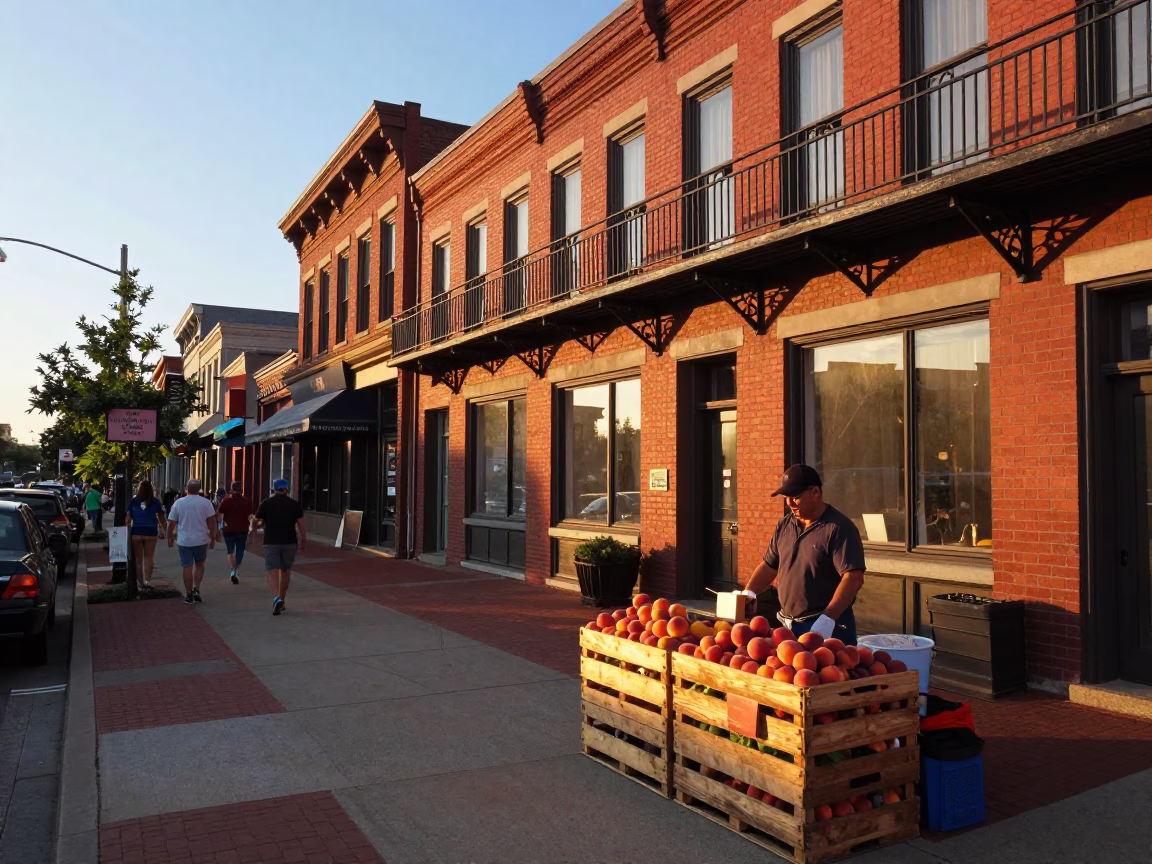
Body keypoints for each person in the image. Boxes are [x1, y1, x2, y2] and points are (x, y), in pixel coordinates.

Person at [740, 464, 866, 645]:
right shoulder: (785, 525)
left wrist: (828, 618)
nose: (789, 503)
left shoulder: (838, 528)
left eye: (795, 497)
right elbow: (769, 565)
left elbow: (853, 578)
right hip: (788, 627)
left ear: (815, 492)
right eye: (786, 497)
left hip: (829, 627)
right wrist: (750, 592)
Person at [251, 478, 307, 616]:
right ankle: (282, 599)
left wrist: (252, 529)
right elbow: (301, 523)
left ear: (274, 489)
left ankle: (276, 598)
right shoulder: (294, 504)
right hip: (289, 541)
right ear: (287, 489)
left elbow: (257, 521)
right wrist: (303, 539)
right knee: (286, 571)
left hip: (271, 541)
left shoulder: (266, 503)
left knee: (273, 571)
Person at [166, 479, 219, 605]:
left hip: (184, 540)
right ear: (199, 489)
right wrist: (213, 537)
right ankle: (197, 589)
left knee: (187, 566)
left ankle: (189, 594)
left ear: (186, 489)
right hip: (201, 540)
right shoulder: (206, 503)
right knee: (200, 564)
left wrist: (169, 537)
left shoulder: (179, 503)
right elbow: (212, 522)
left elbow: (171, 522)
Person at [126, 480, 167, 590]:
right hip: (151, 532)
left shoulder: (133, 501)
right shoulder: (155, 501)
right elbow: (161, 517)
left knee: (138, 560)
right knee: (149, 558)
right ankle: (147, 581)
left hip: (136, 532)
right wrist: (165, 529)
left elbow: (128, 519)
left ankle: (140, 583)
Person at [217, 481, 253, 584]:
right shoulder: (247, 501)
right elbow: (250, 516)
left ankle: (232, 571)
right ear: (241, 489)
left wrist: (221, 524)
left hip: (229, 529)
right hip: (242, 529)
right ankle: (235, 571)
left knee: (230, 551)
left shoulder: (226, 501)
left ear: (232, 489)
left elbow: (219, 514)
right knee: (240, 551)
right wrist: (252, 530)